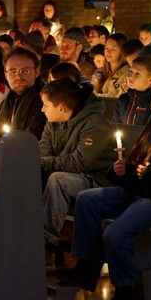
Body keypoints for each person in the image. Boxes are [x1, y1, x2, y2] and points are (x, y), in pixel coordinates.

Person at [56, 77, 151, 300]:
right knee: (88, 199)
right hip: (141, 193)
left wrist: (150, 175)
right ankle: (88, 267)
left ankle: (126, 292)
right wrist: (124, 171)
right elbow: (138, 171)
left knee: (115, 233)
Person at [40, 78, 113, 267]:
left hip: (96, 179)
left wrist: (42, 163)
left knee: (58, 180)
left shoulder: (95, 124)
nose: (42, 109)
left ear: (62, 107)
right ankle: (21, 236)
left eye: (46, 105)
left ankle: (45, 244)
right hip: (69, 174)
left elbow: (78, 163)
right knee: (28, 175)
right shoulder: (53, 122)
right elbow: (43, 152)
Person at [0, 46, 46, 144]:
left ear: (37, 72)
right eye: (13, 72)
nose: (18, 76)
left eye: (25, 71)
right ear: (6, 75)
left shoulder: (44, 100)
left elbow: (30, 138)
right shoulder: (10, 98)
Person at [113, 55, 151, 126]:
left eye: (137, 73)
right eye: (131, 71)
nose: (130, 77)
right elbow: (117, 126)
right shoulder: (124, 99)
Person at [93, 33, 129, 98]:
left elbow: (115, 98)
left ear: (122, 51)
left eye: (113, 49)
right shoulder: (100, 71)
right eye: (106, 47)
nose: (108, 52)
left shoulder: (127, 73)